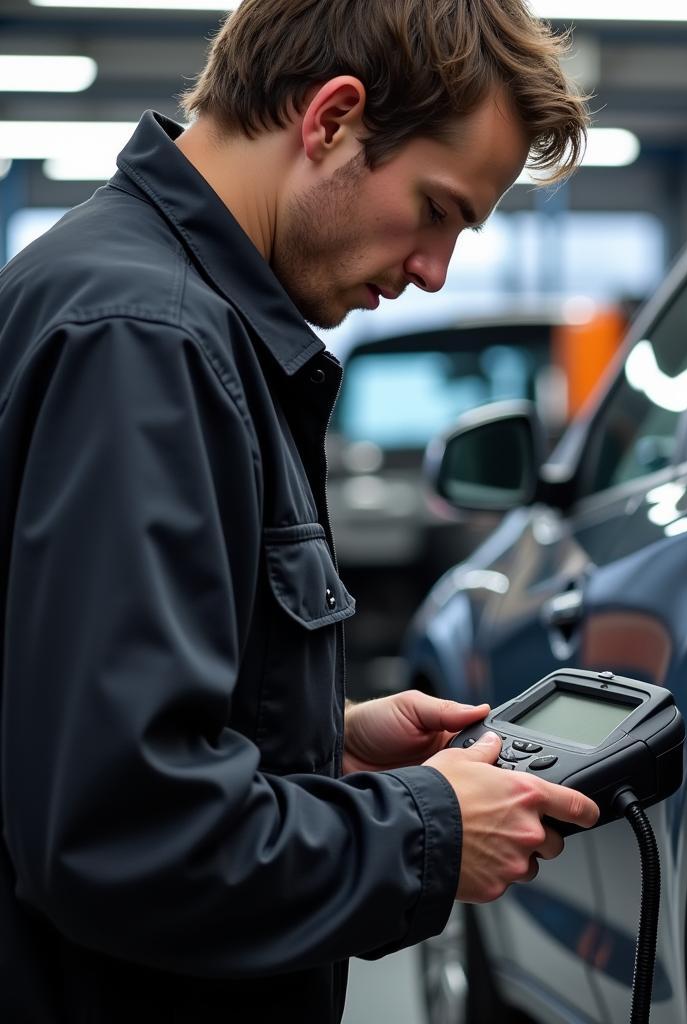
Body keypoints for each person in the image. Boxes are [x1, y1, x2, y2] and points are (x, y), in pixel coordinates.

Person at [0, 1, 600, 1021]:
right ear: (331, 120)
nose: (432, 271)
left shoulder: (138, 303)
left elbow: (69, 725)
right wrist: (429, 830)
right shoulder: (150, 343)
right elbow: (124, 834)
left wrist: (320, 742)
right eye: (438, 210)